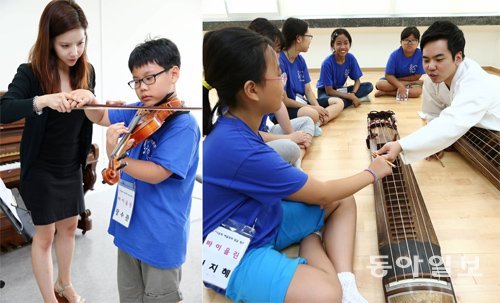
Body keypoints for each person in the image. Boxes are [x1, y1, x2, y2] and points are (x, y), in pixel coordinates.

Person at [203, 27, 393, 303]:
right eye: (278, 74)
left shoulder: (238, 126)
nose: (283, 80)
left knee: (343, 201)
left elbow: (323, 194)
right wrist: (371, 172)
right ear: (251, 90)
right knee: (327, 295)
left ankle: (346, 283)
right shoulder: (237, 146)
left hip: (258, 221)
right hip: (233, 252)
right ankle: (314, 243)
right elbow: (323, 193)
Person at [84, 38, 200, 302]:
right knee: (130, 297)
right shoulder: (138, 111)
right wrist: (88, 99)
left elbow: (158, 172)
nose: (141, 87)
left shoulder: (183, 125)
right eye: (136, 80)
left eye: (149, 78)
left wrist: (117, 155)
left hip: (160, 237)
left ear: (173, 74)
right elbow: (100, 116)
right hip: (129, 229)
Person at [0, 1, 93, 302]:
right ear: (49, 40)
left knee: (68, 228)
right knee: (45, 236)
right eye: (65, 44)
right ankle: (49, 299)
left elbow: (93, 114)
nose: (74, 51)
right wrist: (43, 101)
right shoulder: (30, 73)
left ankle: (64, 283)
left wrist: (90, 96)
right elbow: (4, 109)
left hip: (71, 163)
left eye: (80, 42)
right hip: (41, 167)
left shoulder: (87, 70)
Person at [378, 21, 500, 164]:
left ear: (458, 57)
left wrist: (401, 145)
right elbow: (433, 115)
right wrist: (433, 144)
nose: (430, 67)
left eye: (439, 59)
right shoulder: (432, 80)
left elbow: (454, 121)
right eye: (426, 60)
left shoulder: (475, 81)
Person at [248, 17, 314, 167]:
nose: (278, 56)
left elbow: (279, 105)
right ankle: (295, 160)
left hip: (265, 132)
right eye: (276, 51)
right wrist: (291, 138)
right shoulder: (248, 84)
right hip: (253, 143)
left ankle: (296, 159)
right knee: (291, 148)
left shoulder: (270, 73)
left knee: (307, 121)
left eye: (278, 51)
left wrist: (292, 134)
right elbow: (248, 135)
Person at [280, 17, 340, 126]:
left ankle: (316, 123)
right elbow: (284, 100)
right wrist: (313, 108)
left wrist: (318, 107)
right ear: (298, 39)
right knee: (312, 113)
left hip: (302, 103)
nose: (310, 40)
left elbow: (308, 91)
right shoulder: (280, 61)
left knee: (338, 102)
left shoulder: (300, 60)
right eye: (309, 36)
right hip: (287, 108)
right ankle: (314, 122)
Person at [316, 28, 373, 109]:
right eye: (339, 44)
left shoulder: (351, 58)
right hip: (326, 92)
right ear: (333, 45)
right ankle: (345, 102)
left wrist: (352, 94)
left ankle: (341, 103)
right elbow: (329, 91)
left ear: (349, 44)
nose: (343, 47)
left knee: (368, 86)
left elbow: (357, 81)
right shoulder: (327, 63)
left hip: (340, 90)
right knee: (324, 100)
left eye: (346, 43)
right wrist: (350, 97)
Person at [375, 26, 425, 99]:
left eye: (413, 40)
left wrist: (401, 83)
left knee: (417, 92)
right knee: (380, 85)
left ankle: (386, 92)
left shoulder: (420, 55)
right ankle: (400, 88)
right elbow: (388, 75)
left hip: (408, 81)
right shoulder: (394, 55)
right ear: (401, 42)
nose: (410, 43)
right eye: (406, 40)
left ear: (418, 42)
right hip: (394, 81)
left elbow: (417, 76)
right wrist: (400, 85)